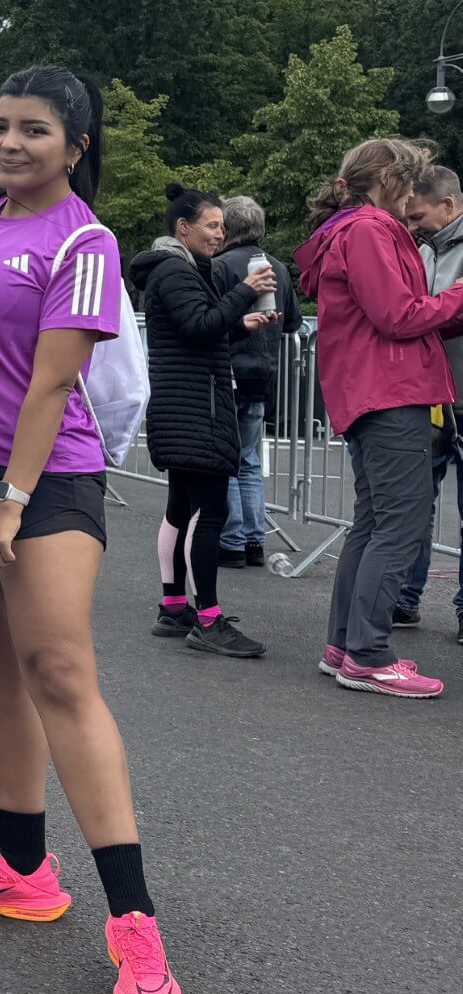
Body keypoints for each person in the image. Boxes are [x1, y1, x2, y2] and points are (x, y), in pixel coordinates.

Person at [0, 65, 185, 994]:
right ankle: (22, 869)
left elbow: (56, 387)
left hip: (46, 480)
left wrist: (12, 506)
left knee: (59, 670)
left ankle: (136, 924)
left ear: (77, 146)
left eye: (33, 131)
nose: (10, 144)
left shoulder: (87, 240)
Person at [295, 138, 463, 698]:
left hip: (370, 391)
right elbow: (398, 315)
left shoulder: (351, 228)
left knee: (373, 523)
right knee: (400, 526)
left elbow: (393, 315)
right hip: (390, 392)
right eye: (411, 183)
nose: (415, 194)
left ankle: (346, 646)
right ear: (390, 180)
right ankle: (366, 654)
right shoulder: (369, 229)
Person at [130, 184, 279, 657]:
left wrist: (240, 322)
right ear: (183, 227)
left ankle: (174, 608)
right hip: (196, 409)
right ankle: (208, 620)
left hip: (186, 406)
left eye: (222, 225)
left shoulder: (178, 268)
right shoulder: (175, 270)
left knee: (181, 507)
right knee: (209, 512)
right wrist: (244, 294)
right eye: (213, 225)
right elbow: (196, 328)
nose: (221, 233)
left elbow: (196, 327)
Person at [213, 196, 302, 570]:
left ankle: (231, 540)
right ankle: (253, 540)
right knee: (249, 460)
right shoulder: (278, 267)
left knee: (225, 460)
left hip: (228, 370)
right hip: (264, 374)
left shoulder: (219, 266)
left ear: (227, 228)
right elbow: (295, 323)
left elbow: (211, 318)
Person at [395, 166, 463, 640]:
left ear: (450, 206)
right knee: (417, 502)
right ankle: (404, 597)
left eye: (419, 215)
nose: (413, 224)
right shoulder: (417, 246)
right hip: (430, 394)